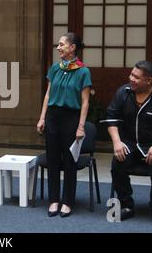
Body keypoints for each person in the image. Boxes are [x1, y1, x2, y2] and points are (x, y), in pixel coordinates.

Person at [105, 61, 152, 225]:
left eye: (136, 77)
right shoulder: (123, 92)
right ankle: (126, 205)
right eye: (131, 74)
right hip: (130, 143)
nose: (131, 78)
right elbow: (111, 119)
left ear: (149, 80)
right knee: (118, 165)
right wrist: (117, 142)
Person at [36, 33, 91, 218]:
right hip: (53, 117)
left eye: (61, 44)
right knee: (52, 158)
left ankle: (67, 201)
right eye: (58, 45)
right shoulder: (55, 68)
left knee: (69, 160)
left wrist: (81, 126)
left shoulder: (83, 71)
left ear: (72, 47)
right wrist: (42, 118)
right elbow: (48, 95)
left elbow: (85, 102)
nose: (58, 48)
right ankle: (53, 200)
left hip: (71, 118)